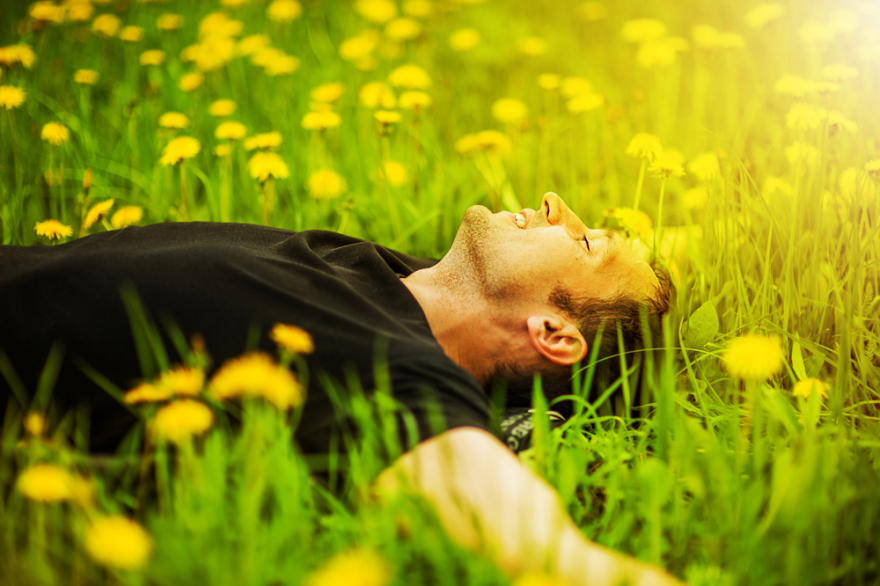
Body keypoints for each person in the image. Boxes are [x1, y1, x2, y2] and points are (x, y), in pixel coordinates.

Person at [0, 192, 679, 586]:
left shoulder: (394, 369)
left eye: (588, 244)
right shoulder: (388, 276)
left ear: (554, 333)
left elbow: (528, 535)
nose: (559, 205)